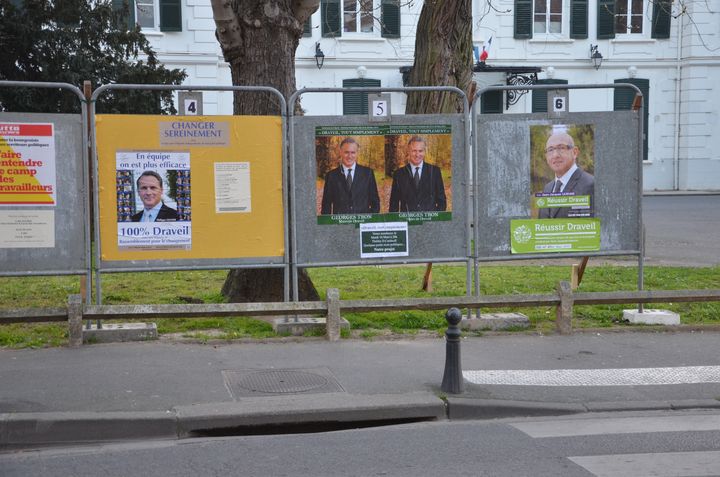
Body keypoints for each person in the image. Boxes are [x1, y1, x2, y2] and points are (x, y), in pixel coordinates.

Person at [538, 131, 594, 219]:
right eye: (550, 150)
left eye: (561, 148)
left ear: (575, 152)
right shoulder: (547, 188)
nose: (555, 155)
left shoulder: (591, 185)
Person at [320, 137, 380, 215]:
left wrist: (368, 220)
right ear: (340, 152)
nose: (349, 156)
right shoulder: (331, 176)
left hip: (362, 223)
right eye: (346, 152)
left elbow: (375, 203)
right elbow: (326, 206)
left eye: (353, 152)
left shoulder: (368, 173)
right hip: (340, 224)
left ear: (357, 153)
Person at [388, 136, 447, 212]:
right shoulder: (399, 174)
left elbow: (442, 202)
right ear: (408, 151)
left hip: (429, 221)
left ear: (424, 152)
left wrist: (435, 221)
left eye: (420, 151)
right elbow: (393, 205)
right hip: (408, 221)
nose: (417, 154)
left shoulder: (435, 172)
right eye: (414, 151)